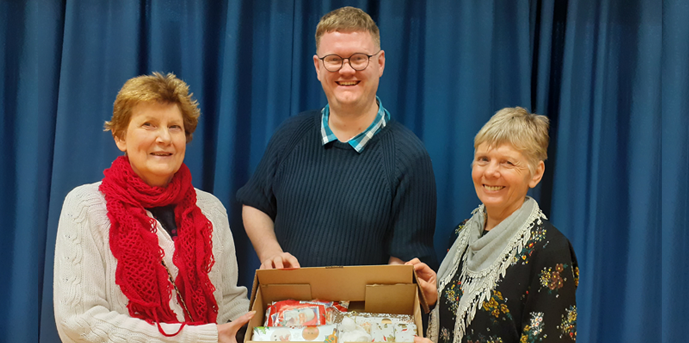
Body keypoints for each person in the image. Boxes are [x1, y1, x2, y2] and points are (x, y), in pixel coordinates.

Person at [53, 72, 252, 342]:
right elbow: (78, 321)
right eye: (149, 125)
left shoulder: (210, 209)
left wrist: (262, 323)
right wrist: (199, 338)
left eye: (174, 127)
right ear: (120, 137)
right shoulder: (85, 206)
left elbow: (228, 300)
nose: (164, 138)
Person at [236, 6, 438, 270]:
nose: (346, 70)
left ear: (380, 63)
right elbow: (255, 205)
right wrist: (270, 252)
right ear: (318, 67)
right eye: (334, 59)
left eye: (358, 58)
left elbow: (402, 265)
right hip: (286, 307)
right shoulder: (290, 134)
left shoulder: (410, 157)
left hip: (364, 311)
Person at [409, 107, 579, 343]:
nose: (490, 172)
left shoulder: (549, 250)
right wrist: (435, 298)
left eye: (507, 162)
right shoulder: (462, 233)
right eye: (483, 159)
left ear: (536, 173)